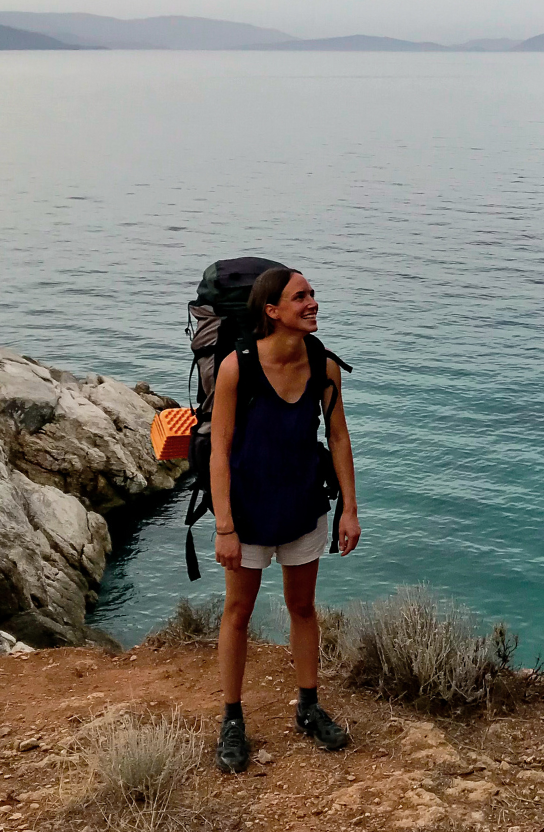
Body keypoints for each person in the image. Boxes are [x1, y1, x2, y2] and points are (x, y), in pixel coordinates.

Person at [208, 267, 361, 773]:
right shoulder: (237, 367)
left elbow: (338, 437)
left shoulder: (323, 364)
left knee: (302, 606)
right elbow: (220, 447)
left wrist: (349, 509)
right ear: (272, 311)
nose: (313, 302)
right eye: (301, 297)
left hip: (302, 506)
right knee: (238, 611)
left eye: (313, 294)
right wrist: (224, 525)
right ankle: (232, 719)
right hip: (248, 512)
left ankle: (308, 707)